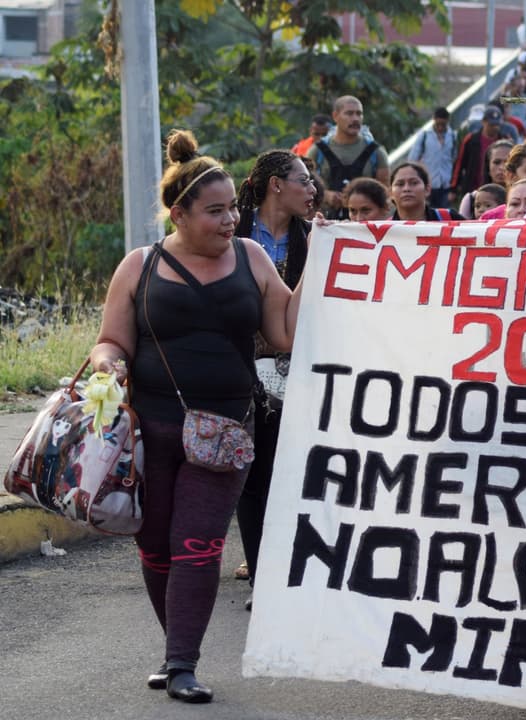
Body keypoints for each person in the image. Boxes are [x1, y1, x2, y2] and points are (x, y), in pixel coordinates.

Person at [89, 129, 306, 704]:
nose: (231, 218)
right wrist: (107, 367)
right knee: (156, 545)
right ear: (178, 213)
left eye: (233, 206)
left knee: (198, 543)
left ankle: (182, 662)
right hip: (149, 429)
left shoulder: (253, 258)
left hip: (225, 430)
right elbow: (111, 339)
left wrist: (324, 263)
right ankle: (175, 649)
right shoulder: (139, 266)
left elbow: (283, 333)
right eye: (215, 210)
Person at [229, 149, 314, 600]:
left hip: (301, 371)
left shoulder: (317, 237)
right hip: (238, 371)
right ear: (276, 185)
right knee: (253, 474)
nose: (313, 189)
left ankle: (294, 571)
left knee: (296, 471)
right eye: (304, 179)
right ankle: (264, 579)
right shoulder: (230, 229)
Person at [307, 96, 389, 218]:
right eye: (349, 113)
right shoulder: (317, 151)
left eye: (359, 114)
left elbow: (385, 192)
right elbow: (303, 187)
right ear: (335, 116)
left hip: (363, 225)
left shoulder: (377, 152)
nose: (355, 119)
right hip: (326, 223)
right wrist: (326, 195)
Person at [451, 106, 517, 200]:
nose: (495, 128)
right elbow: (460, 163)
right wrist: (454, 188)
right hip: (473, 186)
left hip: (499, 189)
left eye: (497, 125)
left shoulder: (505, 140)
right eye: (491, 125)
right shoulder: (471, 139)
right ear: (483, 122)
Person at [407, 107, 457, 210]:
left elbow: (454, 158)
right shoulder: (424, 135)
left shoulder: (452, 136)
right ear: (434, 120)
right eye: (438, 124)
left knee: (443, 215)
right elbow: (412, 159)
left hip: (445, 184)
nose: (440, 128)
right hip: (428, 183)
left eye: (443, 125)